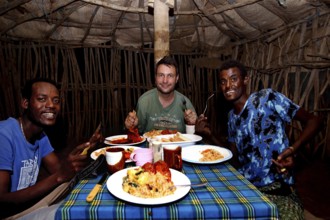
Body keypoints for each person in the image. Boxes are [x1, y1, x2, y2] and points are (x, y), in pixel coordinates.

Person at [195, 60, 322, 219]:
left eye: (234, 79)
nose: (228, 86)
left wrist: (291, 150)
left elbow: (314, 121)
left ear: (245, 80)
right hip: (247, 189)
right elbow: (234, 158)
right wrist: (209, 134)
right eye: (223, 81)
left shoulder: (267, 98)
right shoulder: (232, 118)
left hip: (279, 191)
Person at [0, 78, 102, 218]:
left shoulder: (40, 135)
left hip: (28, 204)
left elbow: (59, 171)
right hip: (10, 213)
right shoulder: (4, 134)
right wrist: (60, 176)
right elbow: (2, 201)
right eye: (42, 99)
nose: (51, 105)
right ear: (25, 103)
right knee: (71, 214)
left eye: (56, 101)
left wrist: (87, 148)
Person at [125, 56, 197, 134]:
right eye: (161, 75)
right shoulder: (144, 102)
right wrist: (131, 126)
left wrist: (192, 124)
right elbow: (136, 136)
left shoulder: (185, 103)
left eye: (170, 75)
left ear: (176, 78)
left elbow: (193, 138)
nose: (165, 80)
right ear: (155, 77)